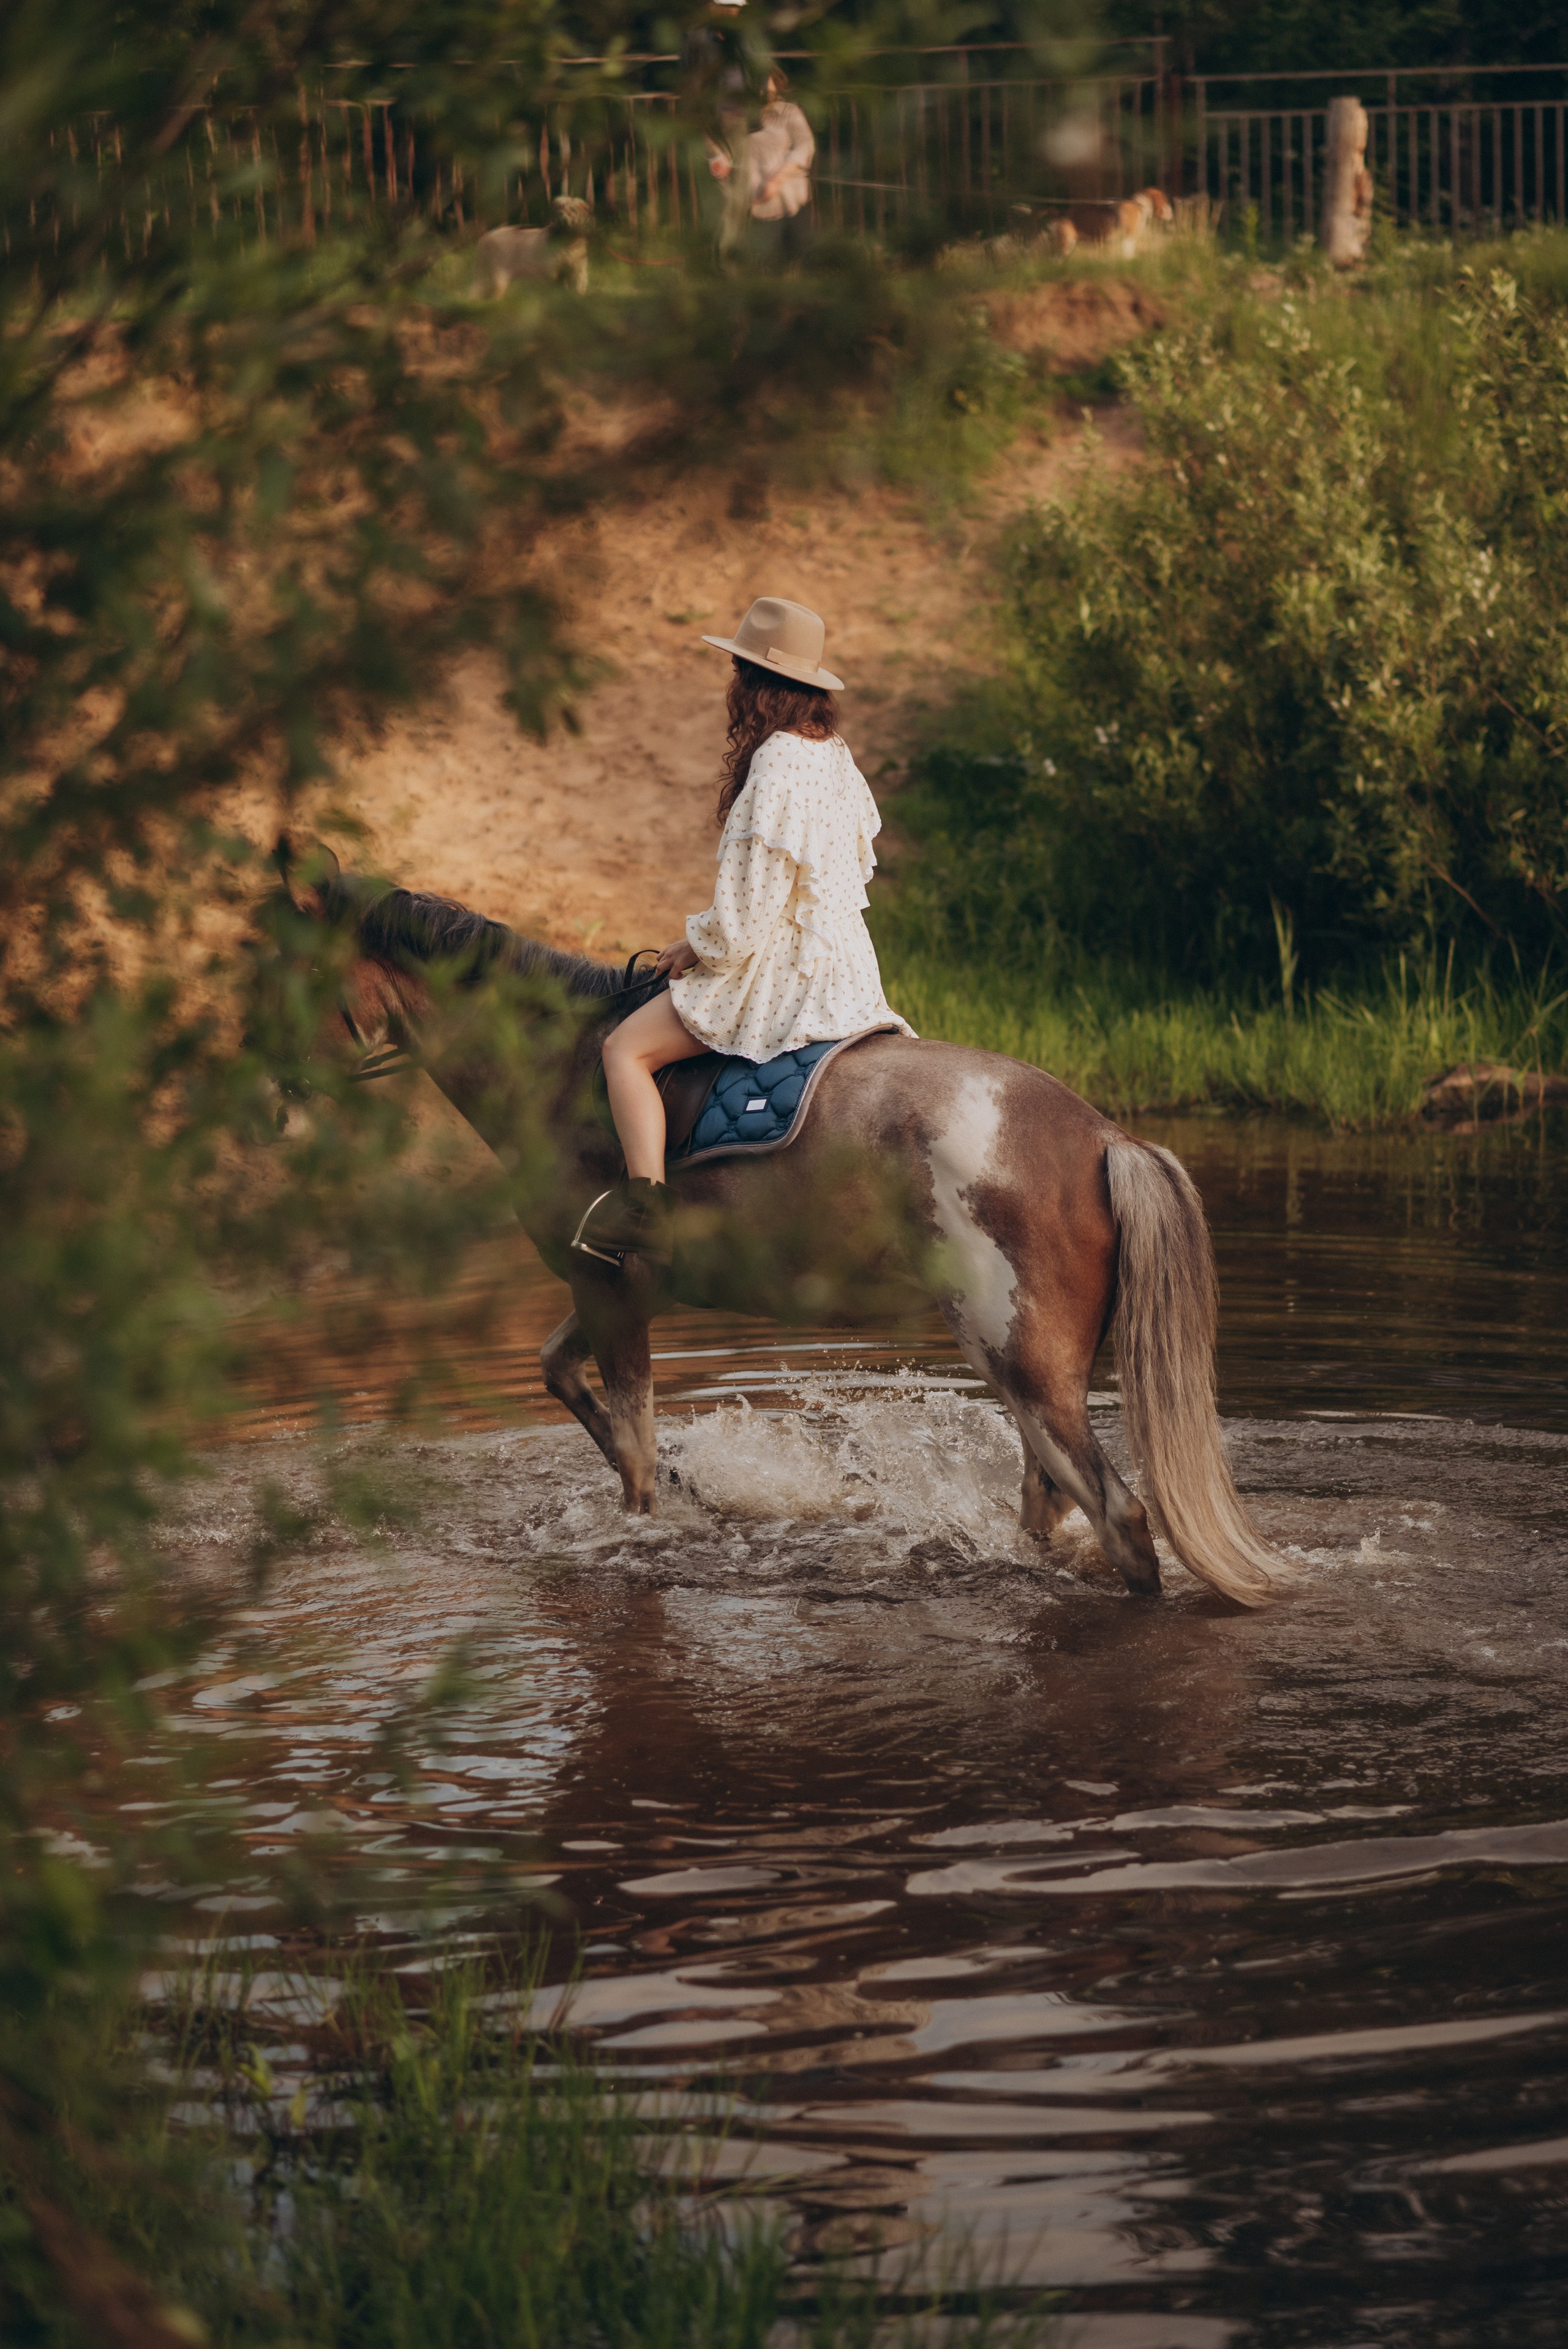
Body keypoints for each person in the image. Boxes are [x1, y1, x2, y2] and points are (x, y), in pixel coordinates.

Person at [581, 597, 916, 1270]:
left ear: (754, 685)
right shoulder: (834, 757)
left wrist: (698, 944)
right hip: (846, 972)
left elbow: (741, 923)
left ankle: (645, 1208)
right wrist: (693, 941)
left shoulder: (775, 765)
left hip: (779, 976)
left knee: (623, 1050)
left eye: (738, 672)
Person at [747, 68, 814, 264]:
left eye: (767, 87)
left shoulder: (789, 112)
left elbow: (805, 145)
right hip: (756, 199)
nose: (763, 93)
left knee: (798, 259)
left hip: (789, 196)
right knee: (763, 262)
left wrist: (778, 179)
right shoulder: (742, 116)